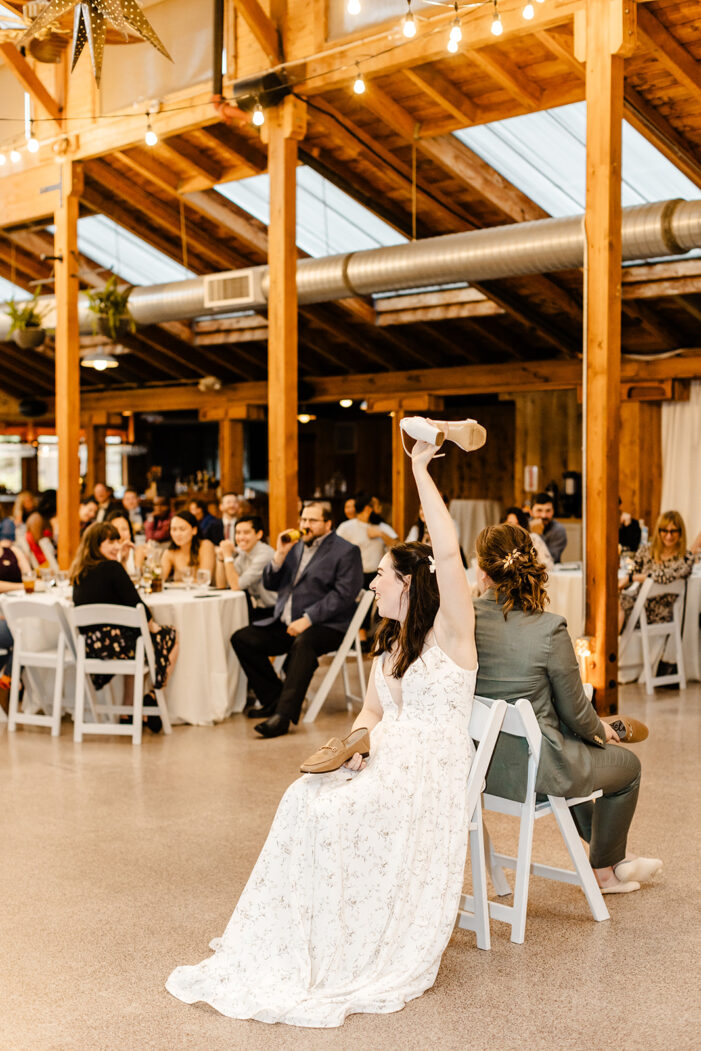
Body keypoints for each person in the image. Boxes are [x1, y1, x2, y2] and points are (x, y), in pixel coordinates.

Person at [166, 436, 477, 1027]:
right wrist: (353, 748)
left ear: (411, 581)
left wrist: (418, 468)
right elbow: (375, 714)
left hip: (427, 776)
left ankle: (346, 937)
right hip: (385, 760)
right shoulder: (394, 644)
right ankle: (302, 932)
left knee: (331, 817)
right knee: (301, 796)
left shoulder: (455, 637)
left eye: (381, 575)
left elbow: (449, 552)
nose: (372, 584)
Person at [473, 522, 660, 894]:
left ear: (481, 571)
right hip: (535, 773)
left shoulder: (464, 621)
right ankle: (606, 870)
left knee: (574, 744)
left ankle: (615, 861)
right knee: (626, 768)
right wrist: (598, 729)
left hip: (479, 771)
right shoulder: (549, 627)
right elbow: (576, 711)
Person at [230, 503, 363, 739]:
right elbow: (271, 584)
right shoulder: (293, 547)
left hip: (327, 626)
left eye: (312, 521)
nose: (305, 526)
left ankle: (283, 716)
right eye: (303, 520)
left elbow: (343, 595)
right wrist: (279, 554)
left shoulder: (346, 551)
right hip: (286, 622)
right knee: (242, 638)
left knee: (304, 643)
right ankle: (275, 699)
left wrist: (309, 619)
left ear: (328, 524)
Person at [70, 522, 178, 730]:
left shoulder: (79, 571)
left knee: (137, 641)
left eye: (118, 541)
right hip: (117, 646)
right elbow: (138, 606)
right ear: (95, 544)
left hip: (92, 647)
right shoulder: (112, 568)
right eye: (110, 541)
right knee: (169, 635)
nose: (116, 546)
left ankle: (127, 710)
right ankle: (153, 695)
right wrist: (153, 625)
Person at [618, 510, 693, 632]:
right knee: (610, 600)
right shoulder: (646, 551)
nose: (669, 536)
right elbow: (632, 571)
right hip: (636, 605)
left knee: (617, 605)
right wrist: (625, 580)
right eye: (665, 531)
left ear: (680, 533)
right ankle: (608, 647)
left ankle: (607, 648)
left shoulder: (686, 557)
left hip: (659, 613)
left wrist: (633, 578)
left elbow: (665, 576)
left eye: (673, 531)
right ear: (659, 531)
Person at [215, 515, 276, 620]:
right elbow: (222, 585)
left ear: (259, 534)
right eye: (238, 533)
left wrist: (228, 556)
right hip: (257, 610)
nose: (241, 537)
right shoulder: (243, 553)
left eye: (246, 533)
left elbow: (236, 585)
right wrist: (221, 558)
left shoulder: (265, 554)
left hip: (274, 612)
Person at [336, 491, 397, 589]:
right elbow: (335, 550)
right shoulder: (345, 527)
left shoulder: (382, 527)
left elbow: (398, 547)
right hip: (352, 577)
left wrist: (382, 535)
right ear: (368, 509)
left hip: (377, 577)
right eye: (377, 507)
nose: (379, 511)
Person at [0, 518, 33, 684]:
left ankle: (8, 675)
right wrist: (21, 587)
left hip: (13, 613)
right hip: (4, 617)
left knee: (26, 630)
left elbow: (29, 575)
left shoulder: (14, 551)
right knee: (24, 633)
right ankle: (9, 676)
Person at [160, 510, 216, 583]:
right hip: (179, 593)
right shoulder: (170, 552)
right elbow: (159, 579)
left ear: (194, 530)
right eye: (174, 529)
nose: (177, 534)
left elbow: (204, 579)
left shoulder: (205, 545)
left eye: (182, 529)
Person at [502, 505, 554, 571]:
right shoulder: (499, 542)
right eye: (510, 524)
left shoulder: (533, 539)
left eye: (517, 524)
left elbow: (549, 564)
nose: (514, 528)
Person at [105, 510, 147, 578]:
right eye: (115, 529)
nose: (120, 534)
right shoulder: (106, 556)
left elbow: (140, 579)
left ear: (131, 533)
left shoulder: (138, 552)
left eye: (124, 529)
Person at [25, 490, 57, 568]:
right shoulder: (36, 518)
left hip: (50, 557)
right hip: (43, 562)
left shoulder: (46, 518)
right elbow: (42, 544)